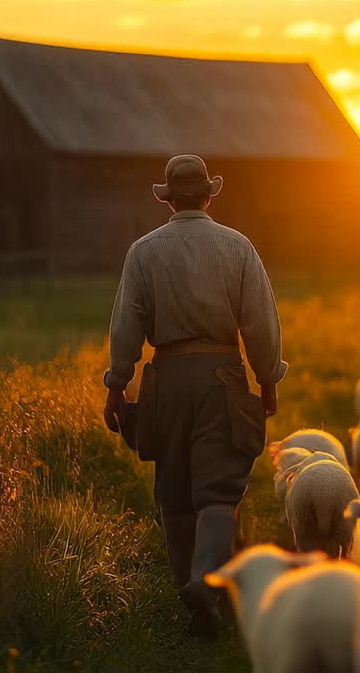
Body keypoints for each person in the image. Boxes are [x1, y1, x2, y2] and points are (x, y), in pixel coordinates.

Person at [102, 154, 286, 638]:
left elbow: (125, 328)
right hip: (222, 377)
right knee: (219, 491)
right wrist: (267, 379)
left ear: (169, 200)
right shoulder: (238, 247)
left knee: (176, 493)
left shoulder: (143, 251)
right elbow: (261, 323)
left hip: (165, 379)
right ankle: (208, 583)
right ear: (208, 195)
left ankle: (193, 597)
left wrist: (117, 387)